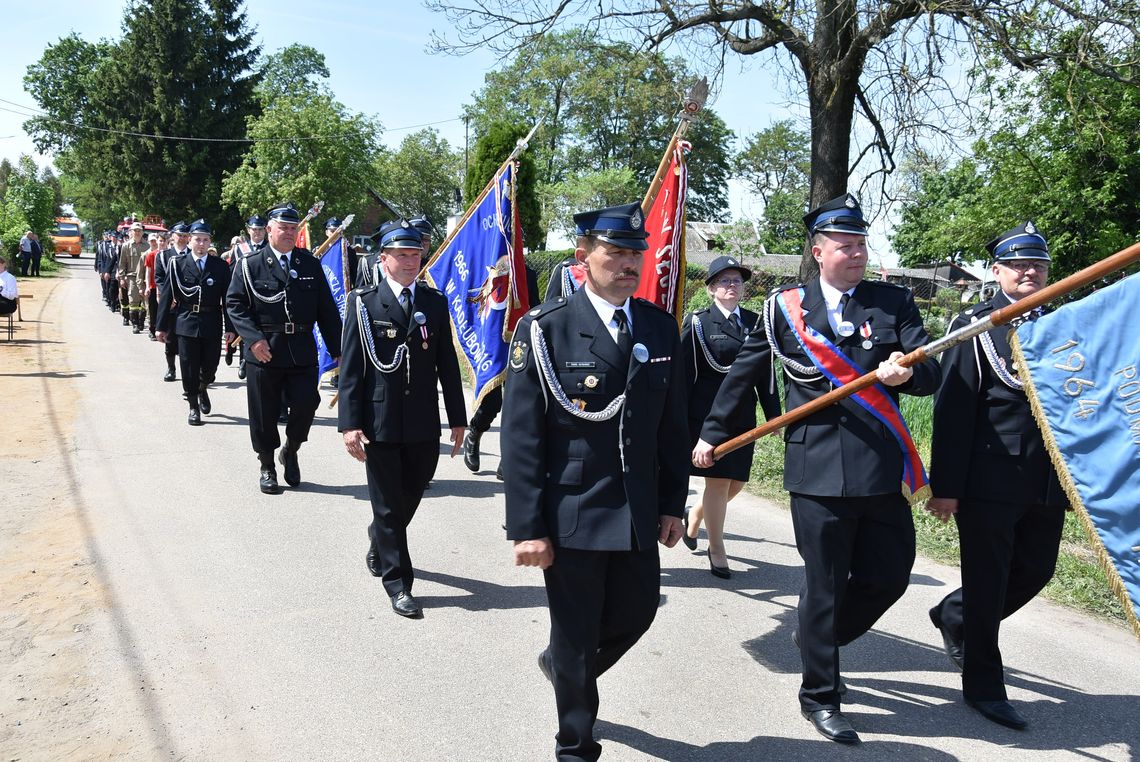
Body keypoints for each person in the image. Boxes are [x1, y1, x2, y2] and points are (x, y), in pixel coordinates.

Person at [693, 194, 941, 745]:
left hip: (879, 466)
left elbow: (932, 374)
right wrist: (713, 433)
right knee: (824, 584)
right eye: (845, 246)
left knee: (891, 574)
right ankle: (820, 694)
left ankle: (815, 638)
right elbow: (743, 376)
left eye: (861, 244)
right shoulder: (785, 308)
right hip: (817, 470)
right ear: (819, 251)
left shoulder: (893, 303)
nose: (856, 254)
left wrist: (906, 378)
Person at [502, 201, 689, 761]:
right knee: (579, 634)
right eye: (616, 252)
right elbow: (523, 439)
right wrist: (527, 528)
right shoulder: (544, 330)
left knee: (638, 612)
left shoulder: (658, 327)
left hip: (635, 509)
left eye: (637, 253)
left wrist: (672, 504)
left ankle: (563, 665)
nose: (629, 264)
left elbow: (672, 427)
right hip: (573, 511)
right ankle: (575, 744)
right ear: (584, 256)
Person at [926, 222, 1066, 730]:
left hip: (1049, 480)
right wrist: (946, 488)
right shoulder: (975, 327)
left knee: (1036, 570)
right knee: (988, 584)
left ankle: (956, 615)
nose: (1030, 272)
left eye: (1038, 264)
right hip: (988, 479)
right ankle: (985, 688)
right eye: (1018, 264)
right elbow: (954, 411)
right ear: (996, 271)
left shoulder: (1065, 322)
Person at [338, 219, 467, 618]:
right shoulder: (364, 303)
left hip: (423, 421)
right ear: (384, 259)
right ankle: (399, 584)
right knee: (390, 505)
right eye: (402, 255)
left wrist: (459, 419)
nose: (411, 261)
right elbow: (352, 370)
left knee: (409, 495)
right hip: (379, 421)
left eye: (415, 254)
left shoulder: (434, 302)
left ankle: (379, 536)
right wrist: (349, 424)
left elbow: (447, 362)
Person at [226, 202, 342, 494]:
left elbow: (326, 310)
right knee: (264, 413)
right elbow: (235, 305)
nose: (290, 233)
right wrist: (253, 339)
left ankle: (290, 449)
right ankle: (267, 465)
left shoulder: (309, 264)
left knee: (307, 404)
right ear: (268, 230)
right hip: (265, 351)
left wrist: (338, 349)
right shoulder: (250, 265)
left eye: (294, 228)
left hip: (301, 350)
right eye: (283, 227)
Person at [680, 255, 781, 576]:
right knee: (719, 482)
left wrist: (774, 414)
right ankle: (717, 548)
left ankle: (695, 516)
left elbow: (765, 373)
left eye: (737, 280)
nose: (732, 286)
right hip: (707, 416)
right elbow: (684, 375)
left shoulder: (755, 323)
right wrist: (676, 419)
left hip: (742, 415)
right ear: (711, 289)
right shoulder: (698, 323)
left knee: (737, 482)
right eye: (724, 281)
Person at [461, 264, 540, 476]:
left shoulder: (527, 274)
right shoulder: (483, 268)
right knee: (492, 402)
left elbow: (535, 308)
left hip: (517, 346)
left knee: (516, 406)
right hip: (489, 346)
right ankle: (475, 432)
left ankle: (508, 457)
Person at [155, 220, 235, 426]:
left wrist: (231, 328)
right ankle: (193, 405)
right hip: (186, 321)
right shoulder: (177, 264)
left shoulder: (220, 266)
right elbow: (166, 296)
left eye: (205, 240)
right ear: (189, 240)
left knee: (210, 367)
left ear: (210, 242)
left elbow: (228, 299)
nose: (201, 243)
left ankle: (202, 388)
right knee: (188, 367)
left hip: (211, 321)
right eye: (197, 239)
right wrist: (160, 327)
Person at [118, 222, 148, 333]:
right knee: (133, 301)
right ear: (131, 232)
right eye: (135, 230)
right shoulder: (126, 246)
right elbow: (122, 263)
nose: (137, 232)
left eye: (139, 230)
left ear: (142, 232)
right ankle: (135, 324)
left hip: (145, 277)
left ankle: (141, 322)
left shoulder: (148, 246)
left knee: (145, 301)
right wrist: (122, 277)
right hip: (132, 277)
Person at [141, 233, 162, 340]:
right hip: (154, 287)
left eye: (164, 241)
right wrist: (148, 286)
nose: (160, 243)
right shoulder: (151, 255)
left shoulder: (169, 255)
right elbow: (148, 272)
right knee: (153, 310)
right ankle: (152, 330)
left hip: (165, 288)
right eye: (159, 241)